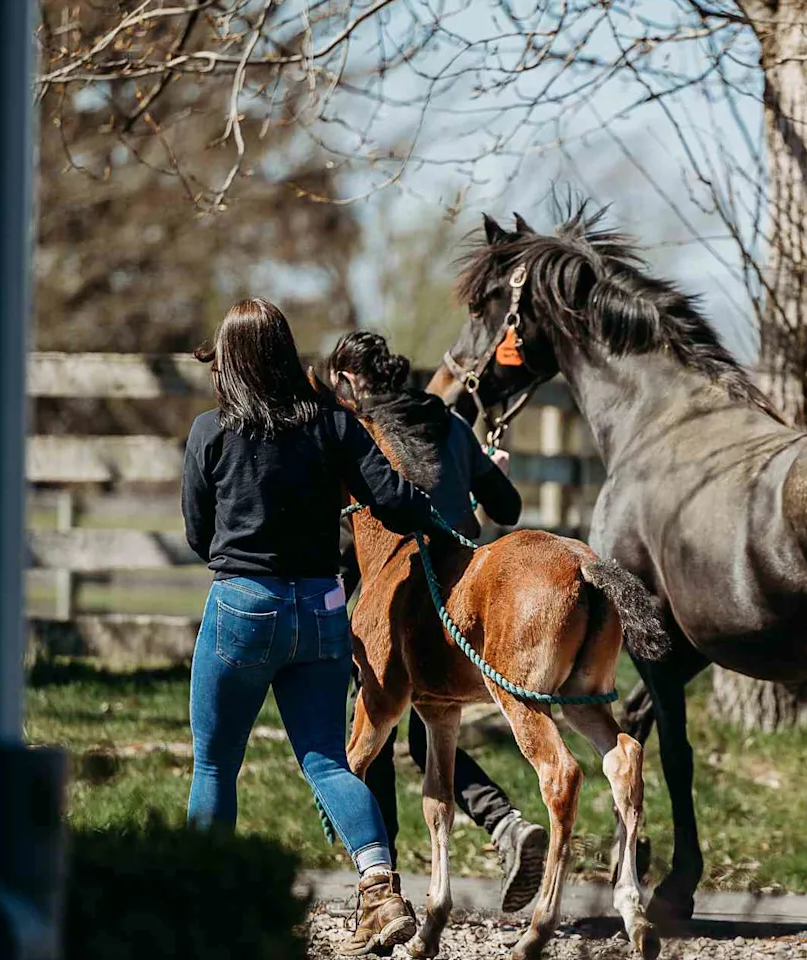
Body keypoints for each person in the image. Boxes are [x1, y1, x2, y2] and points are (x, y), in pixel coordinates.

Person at [181, 299, 433, 956]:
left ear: (228, 363)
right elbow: (397, 503)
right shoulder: (334, 425)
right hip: (322, 608)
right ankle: (382, 892)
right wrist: (434, 514)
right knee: (325, 760)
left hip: (242, 605)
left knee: (214, 763)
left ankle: (203, 910)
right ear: (287, 355)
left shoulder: (210, 432)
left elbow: (196, 535)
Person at [326, 330, 549, 914]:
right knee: (431, 729)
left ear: (348, 383)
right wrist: (482, 468)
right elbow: (507, 509)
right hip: (468, 591)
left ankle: (381, 878)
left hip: (396, 592)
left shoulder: (361, 435)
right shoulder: (448, 423)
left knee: (375, 734)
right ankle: (505, 824)